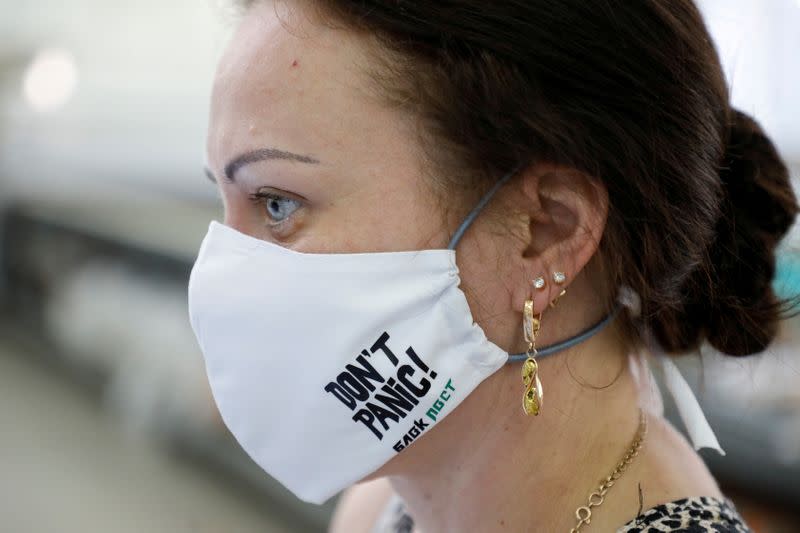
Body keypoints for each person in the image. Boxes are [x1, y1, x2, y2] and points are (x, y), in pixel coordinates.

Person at [187, 0, 799, 531]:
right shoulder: (384, 504)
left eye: (276, 203)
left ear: (545, 232)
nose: (221, 276)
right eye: (225, 199)